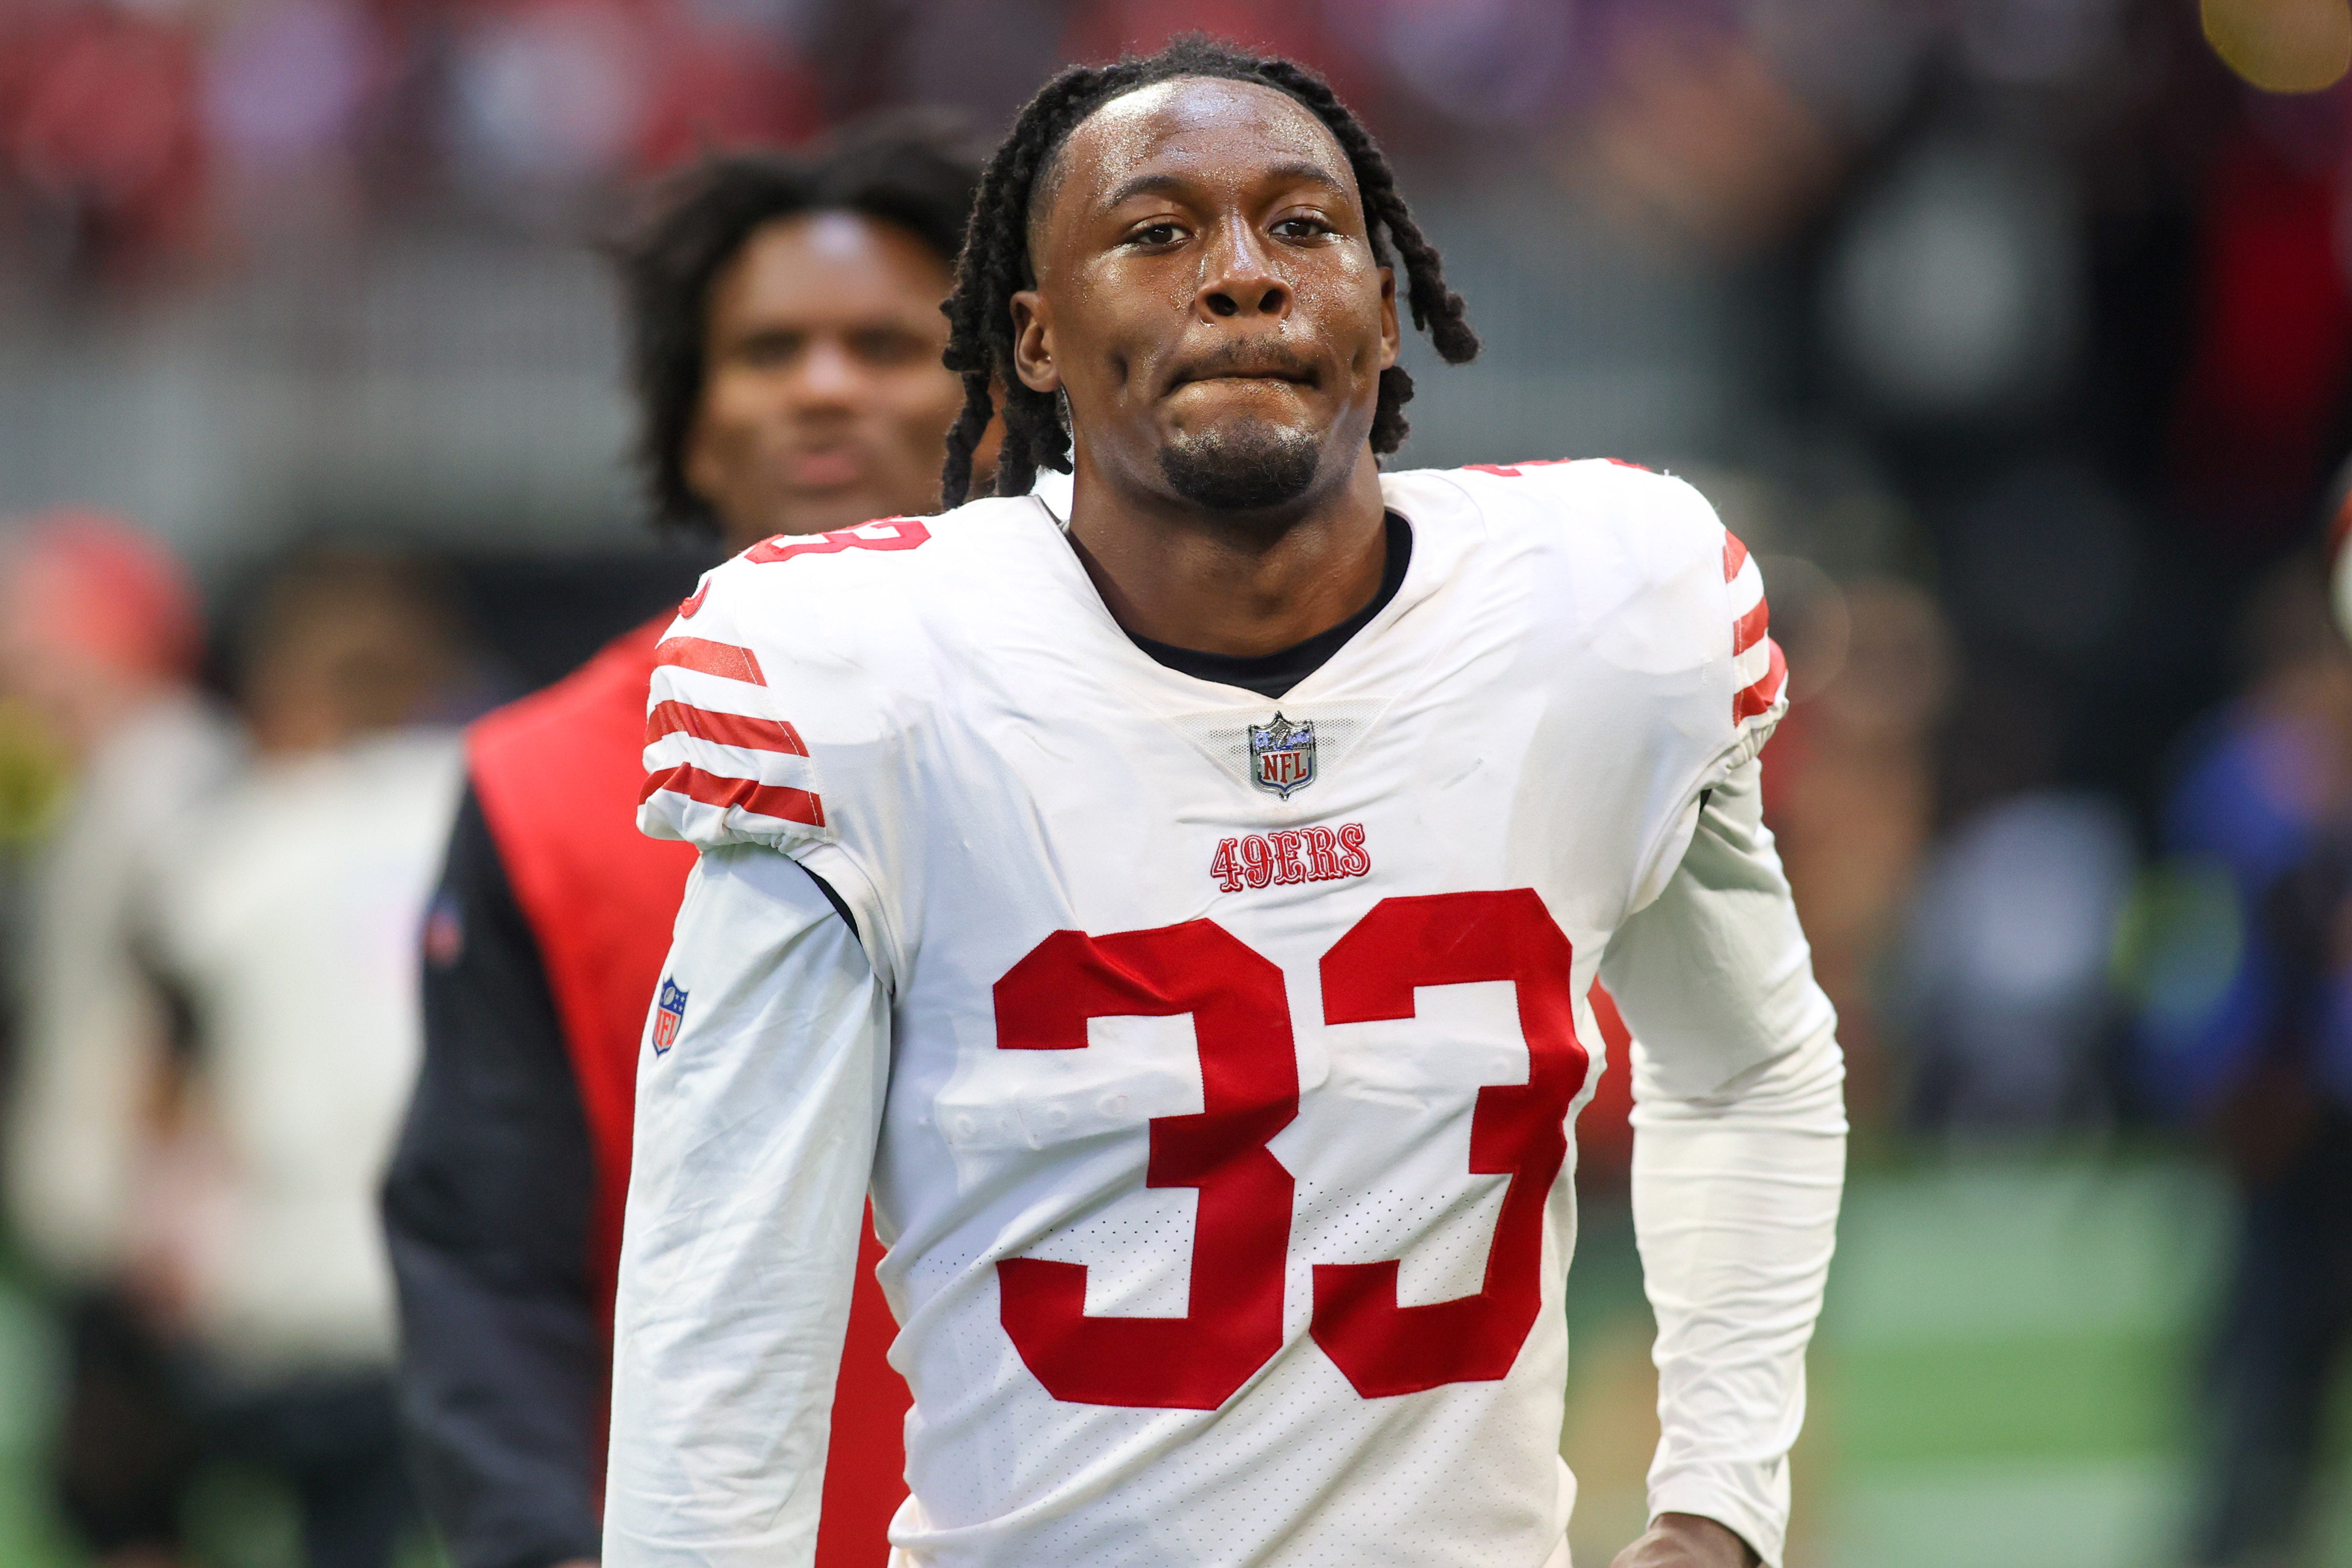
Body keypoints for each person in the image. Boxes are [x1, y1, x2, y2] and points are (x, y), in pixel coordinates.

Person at [608, 37, 1845, 1568]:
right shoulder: (867, 673)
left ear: (1387, 320)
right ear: (1035, 341)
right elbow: (722, 1284)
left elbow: (1749, 1069)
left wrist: (1720, 1506)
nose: (1245, 275)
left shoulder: (1601, 612)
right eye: (1157, 232)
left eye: (1304, 225)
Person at [380, 122, 986, 1568]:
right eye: (770, 350)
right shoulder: (538, 783)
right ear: (691, 415)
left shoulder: (1152, 718)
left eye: (888, 342)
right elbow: (486, 1249)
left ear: (1005, 386)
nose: (826, 385)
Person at [0, 511, 236, 1568]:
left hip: (145, 1211)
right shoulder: (106, 774)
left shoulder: (169, 775)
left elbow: (193, 1004)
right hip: (113, 1200)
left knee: (129, 1483)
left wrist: (163, 1184)